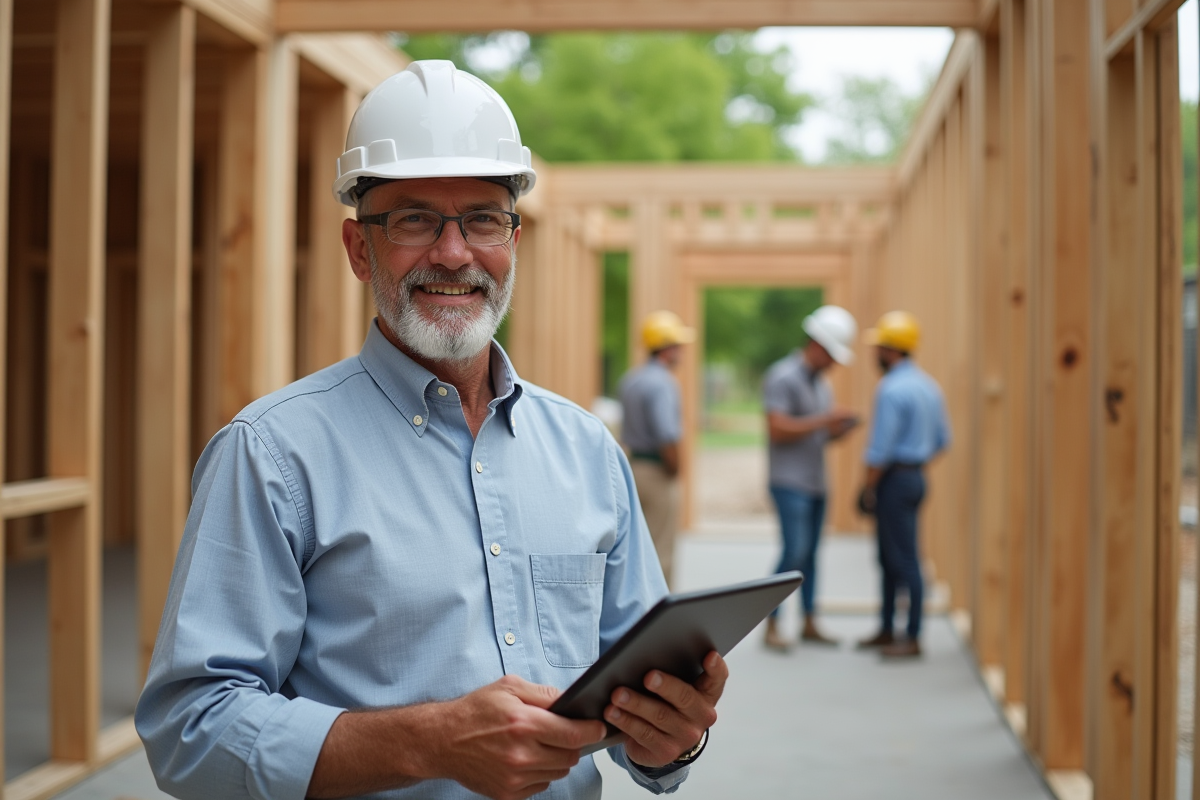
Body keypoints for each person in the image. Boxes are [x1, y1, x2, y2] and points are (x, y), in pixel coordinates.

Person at [135, 60, 723, 800]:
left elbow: (640, 701)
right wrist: (429, 743)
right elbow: (190, 731)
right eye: (414, 219)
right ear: (359, 249)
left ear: (513, 242)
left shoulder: (587, 453)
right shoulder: (272, 455)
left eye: (482, 218)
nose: (454, 253)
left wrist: (673, 738)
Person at [760, 305, 861, 651]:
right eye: (831, 355)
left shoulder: (821, 385)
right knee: (795, 551)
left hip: (815, 480)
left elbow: (815, 432)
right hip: (789, 482)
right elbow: (777, 428)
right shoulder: (782, 377)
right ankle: (771, 622)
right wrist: (823, 420)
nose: (833, 364)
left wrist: (836, 430)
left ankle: (809, 621)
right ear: (816, 344)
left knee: (812, 553)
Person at [855, 311, 950, 660]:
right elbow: (943, 439)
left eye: (879, 346)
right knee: (890, 556)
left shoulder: (891, 389)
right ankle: (887, 629)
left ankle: (910, 636)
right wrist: (916, 460)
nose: (875, 354)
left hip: (893, 478)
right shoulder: (928, 386)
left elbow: (879, 450)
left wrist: (867, 487)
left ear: (892, 349)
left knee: (904, 559)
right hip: (915, 475)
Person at [617, 311, 694, 589]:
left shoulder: (632, 379)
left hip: (634, 469)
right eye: (678, 346)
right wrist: (675, 469)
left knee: (635, 549)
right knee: (662, 552)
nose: (681, 353)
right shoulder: (663, 383)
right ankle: (660, 621)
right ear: (667, 348)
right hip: (657, 471)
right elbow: (667, 435)